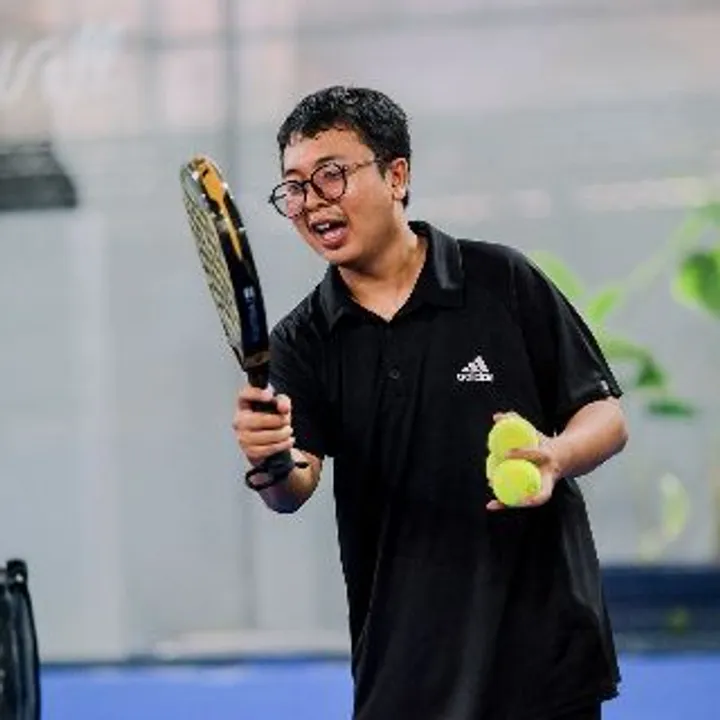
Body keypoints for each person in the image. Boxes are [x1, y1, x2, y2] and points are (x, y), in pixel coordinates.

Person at [232, 85, 629, 720]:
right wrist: (269, 457)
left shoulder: (502, 280)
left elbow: (605, 415)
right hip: (405, 663)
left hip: (541, 649)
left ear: (397, 176)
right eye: (295, 187)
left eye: (331, 175)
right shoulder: (302, 340)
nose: (312, 202)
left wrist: (555, 456)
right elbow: (291, 488)